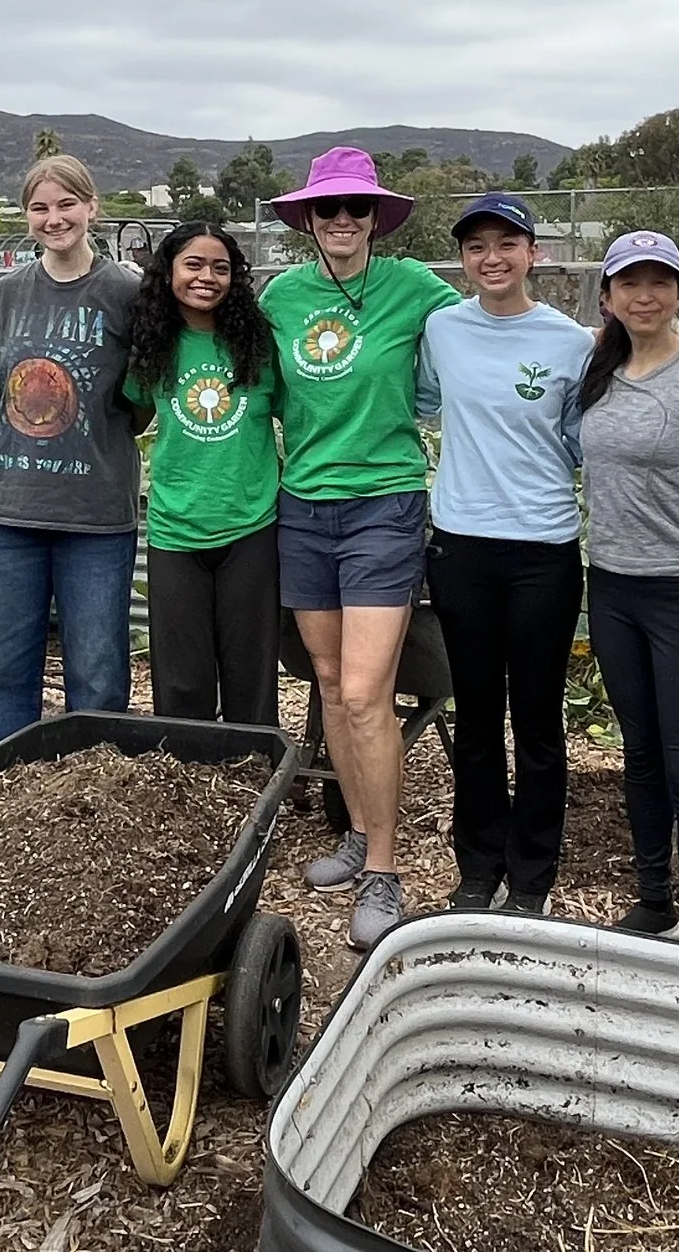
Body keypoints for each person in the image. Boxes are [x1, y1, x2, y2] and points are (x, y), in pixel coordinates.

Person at [261, 147, 458, 950]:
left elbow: (481, 332)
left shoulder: (415, 288)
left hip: (384, 502)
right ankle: (357, 828)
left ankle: (383, 867)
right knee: (334, 682)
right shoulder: (282, 296)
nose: (342, 220)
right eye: (328, 208)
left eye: (357, 208)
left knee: (368, 693)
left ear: (377, 219)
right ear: (308, 219)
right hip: (304, 503)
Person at [416, 192, 592, 916]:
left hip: (543, 549)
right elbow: (423, 402)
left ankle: (531, 877)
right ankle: (478, 865)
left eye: (507, 244)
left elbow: (580, 441)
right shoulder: (442, 329)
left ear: (533, 253)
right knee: (479, 718)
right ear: (463, 259)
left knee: (539, 720)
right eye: (476, 247)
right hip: (461, 546)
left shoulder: (570, 342)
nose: (492, 258)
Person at [575, 229, 679, 945]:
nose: (645, 296)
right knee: (639, 752)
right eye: (630, 283)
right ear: (608, 297)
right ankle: (654, 902)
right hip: (612, 588)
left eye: (660, 282)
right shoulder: (597, 370)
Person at [0, 155, 145, 746]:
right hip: (11, 511)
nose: (55, 218)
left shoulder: (127, 295)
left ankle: (90, 780)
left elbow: (141, 403)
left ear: (92, 207)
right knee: (0, 667)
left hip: (96, 515)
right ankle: (7, 778)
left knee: (96, 667)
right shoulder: (3, 297)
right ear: (26, 216)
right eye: (40, 207)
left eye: (67, 204)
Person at [123, 222, 281, 725]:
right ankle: (188, 767)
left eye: (220, 268)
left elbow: (296, 413)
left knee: (250, 674)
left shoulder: (258, 345)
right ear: (168, 272)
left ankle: (255, 766)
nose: (206, 277)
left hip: (251, 525)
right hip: (175, 530)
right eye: (193, 265)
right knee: (181, 680)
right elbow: (130, 418)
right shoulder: (154, 346)